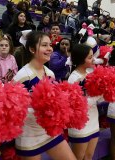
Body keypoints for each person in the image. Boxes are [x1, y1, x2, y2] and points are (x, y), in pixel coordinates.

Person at [13, 31, 77, 160]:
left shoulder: (50, 74)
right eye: (44, 45)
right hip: (29, 135)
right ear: (31, 49)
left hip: (48, 131)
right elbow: (14, 111)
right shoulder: (22, 76)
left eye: (50, 45)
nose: (49, 48)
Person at [68, 44, 99, 160]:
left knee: (89, 156)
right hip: (80, 124)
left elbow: (96, 99)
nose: (94, 59)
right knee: (79, 157)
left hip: (93, 119)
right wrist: (98, 95)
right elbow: (77, 105)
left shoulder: (90, 74)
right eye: (90, 57)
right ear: (81, 59)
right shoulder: (73, 78)